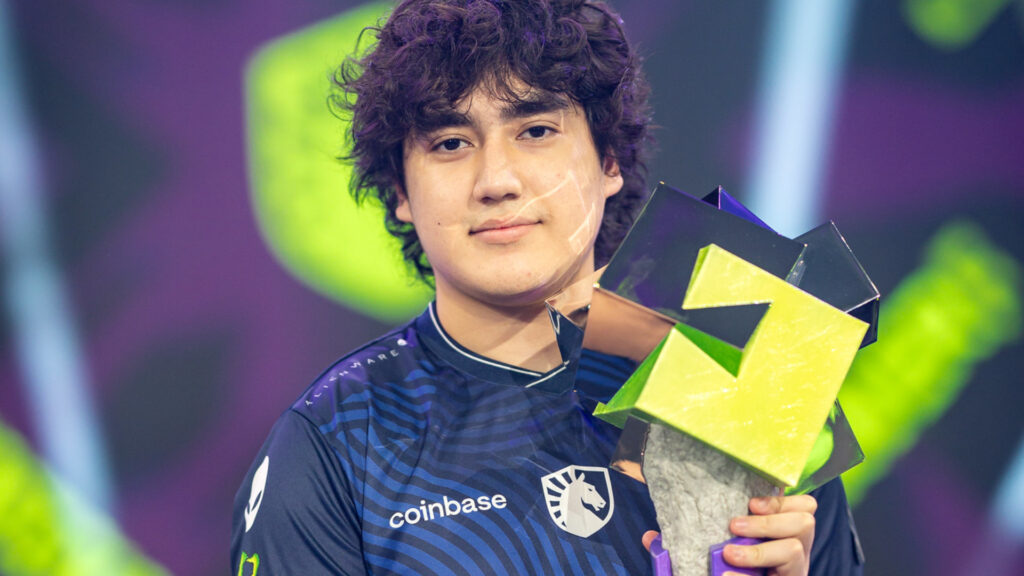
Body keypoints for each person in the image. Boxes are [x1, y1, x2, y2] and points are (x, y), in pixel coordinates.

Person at [232, 1, 865, 574]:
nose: (496, 180)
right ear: (401, 191)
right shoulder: (338, 441)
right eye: (450, 143)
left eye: (535, 131)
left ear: (608, 161)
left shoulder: (743, 379)